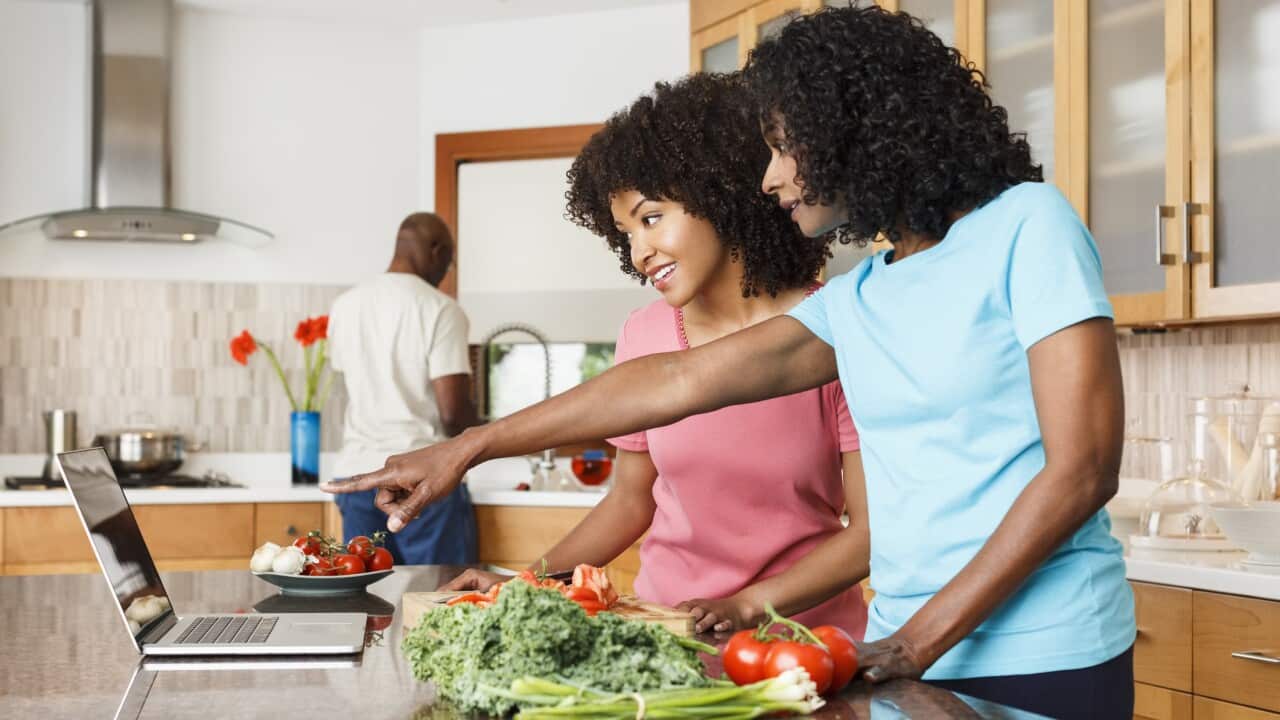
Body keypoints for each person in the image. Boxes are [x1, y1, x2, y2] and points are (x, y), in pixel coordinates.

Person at [324, 7, 1134, 717]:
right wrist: (469, 446)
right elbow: (675, 382)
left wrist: (914, 641)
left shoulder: (1029, 225)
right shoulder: (867, 295)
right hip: (904, 651)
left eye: (785, 148)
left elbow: (1083, 468)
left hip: (1041, 651)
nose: (773, 175)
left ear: (852, 130)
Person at [442, 74, 869, 637]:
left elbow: (869, 530)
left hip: (800, 643)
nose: (639, 251)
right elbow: (628, 502)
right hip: (667, 635)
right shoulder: (643, 334)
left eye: (651, 218)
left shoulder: (831, 328)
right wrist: (523, 585)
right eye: (624, 233)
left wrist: (747, 604)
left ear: (718, 194)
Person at [326, 212, 479, 565]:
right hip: (423, 479)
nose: (446, 272)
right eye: (449, 262)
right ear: (437, 251)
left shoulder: (345, 306)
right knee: (440, 602)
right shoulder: (441, 309)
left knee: (369, 602)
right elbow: (453, 412)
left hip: (358, 476)